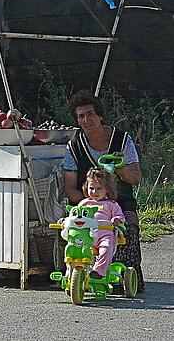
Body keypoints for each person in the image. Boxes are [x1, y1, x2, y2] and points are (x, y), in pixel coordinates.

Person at [63, 90, 144, 290]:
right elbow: (69, 187)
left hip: (120, 201)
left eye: (90, 114)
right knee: (71, 232)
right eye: (80, 116)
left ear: (100, 115)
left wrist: (121, 169)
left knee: (128, 231)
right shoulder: (74, 146)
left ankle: (124, 279)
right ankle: (75, 275)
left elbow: (136, 178)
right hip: (87, 204)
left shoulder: (122, 139)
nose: (86, 120)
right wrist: (89, 203)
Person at [77, 168, 126, 279]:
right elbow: (74, 216)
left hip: (104, 236)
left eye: (99, 189)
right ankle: (76, 272)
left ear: (107, 189)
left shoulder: (111, 204)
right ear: (86, 188)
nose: (94, 192)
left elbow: (120, 216)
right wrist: (65, 220)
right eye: (91, 188)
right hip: (86, 236)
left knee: (106, 249)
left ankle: (98, 271)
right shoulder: (84, 203)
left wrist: (116, 220)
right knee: (75, 249)